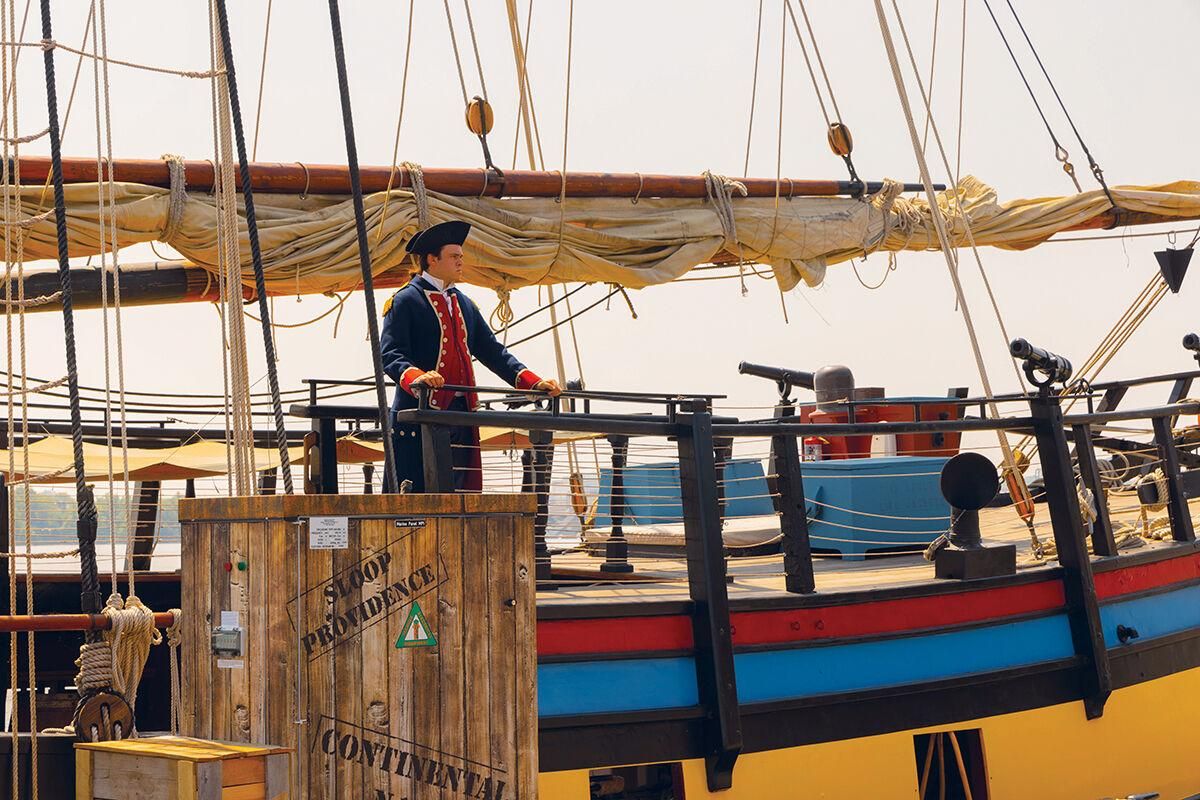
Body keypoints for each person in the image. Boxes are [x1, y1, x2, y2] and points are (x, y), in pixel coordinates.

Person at [380, 220, 562, 492]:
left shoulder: (463, 303)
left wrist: (532, 383)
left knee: (460, 492)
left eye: (461, 257)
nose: (460, 262)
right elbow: (392, 354)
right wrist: (419, 378)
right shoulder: (405, 301)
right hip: (419, 414)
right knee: (417, 493)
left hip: (462, 415)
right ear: (432, 259)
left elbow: (493, 351)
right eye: (454, 256)